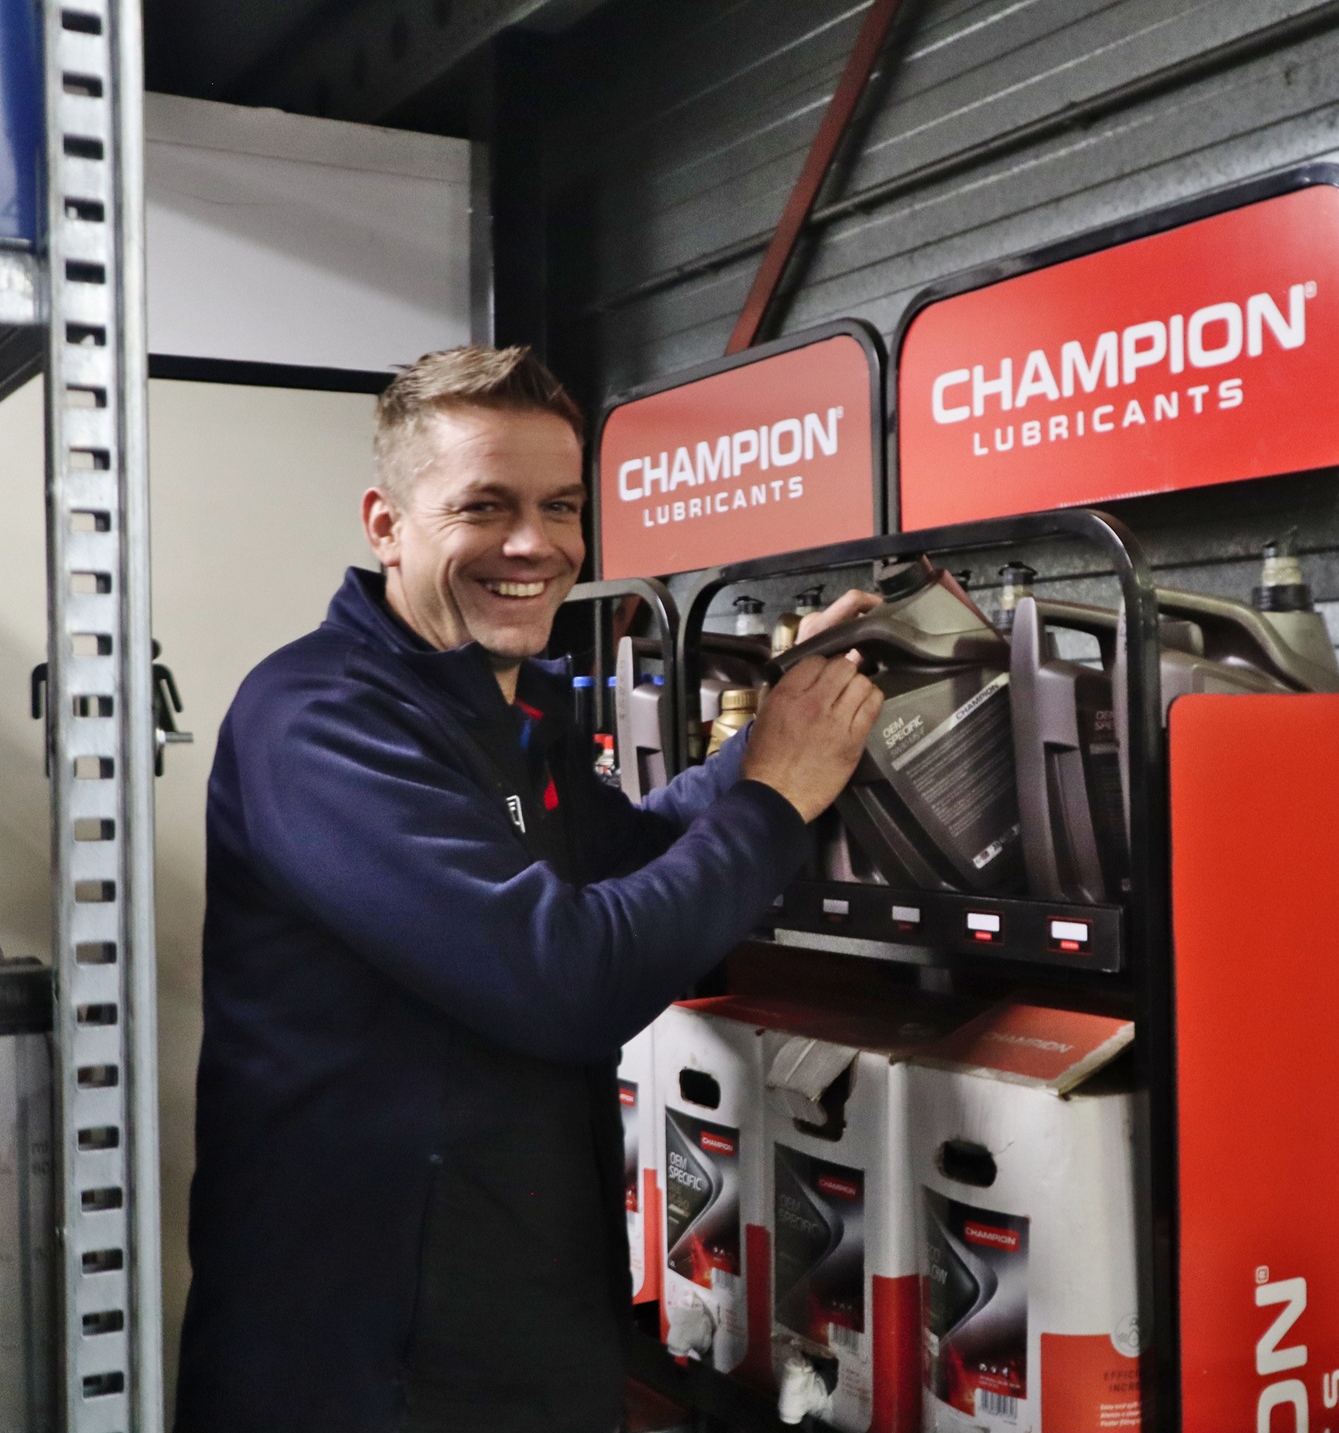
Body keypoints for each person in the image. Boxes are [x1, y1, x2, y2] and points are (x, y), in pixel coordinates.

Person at [174, 345, 882, 1433]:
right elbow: (563, 977)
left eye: (559, 505)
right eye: (484, 505)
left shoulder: (505, 712)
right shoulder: (318, 720)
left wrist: (785, 728)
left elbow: (635, 853)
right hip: (368, 1358)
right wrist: (775, 799)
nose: (533, 544)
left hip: (519, 1313)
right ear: (385, 523)